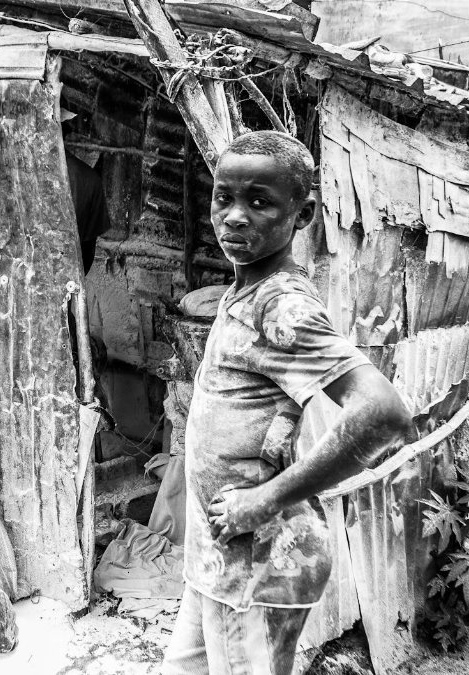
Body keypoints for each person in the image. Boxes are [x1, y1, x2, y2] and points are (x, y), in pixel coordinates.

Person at [162, 131, 412, 675]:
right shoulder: (248, 289)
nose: (233, 217)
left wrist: (268, 497)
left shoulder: (281, 306)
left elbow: (384, 413)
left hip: (256, 565)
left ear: (302, 215)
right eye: (223, 197)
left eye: (259, 201)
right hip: (220, 559)